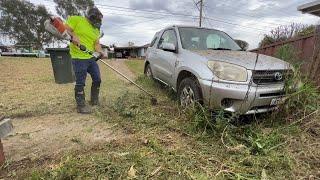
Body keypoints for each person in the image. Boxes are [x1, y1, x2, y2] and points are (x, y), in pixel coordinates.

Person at [65, 7, 105, 114]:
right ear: (91, 17)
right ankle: (81, 106)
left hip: (90, 57)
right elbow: (65, 29)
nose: (99, 22)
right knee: (81, 82)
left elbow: (96, 44)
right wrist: (73, 36)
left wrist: (100, 51)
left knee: (97, 79)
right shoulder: (76, 20)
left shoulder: (96, 29)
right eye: (97, 20)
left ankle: (94, 100)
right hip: (78, 57)